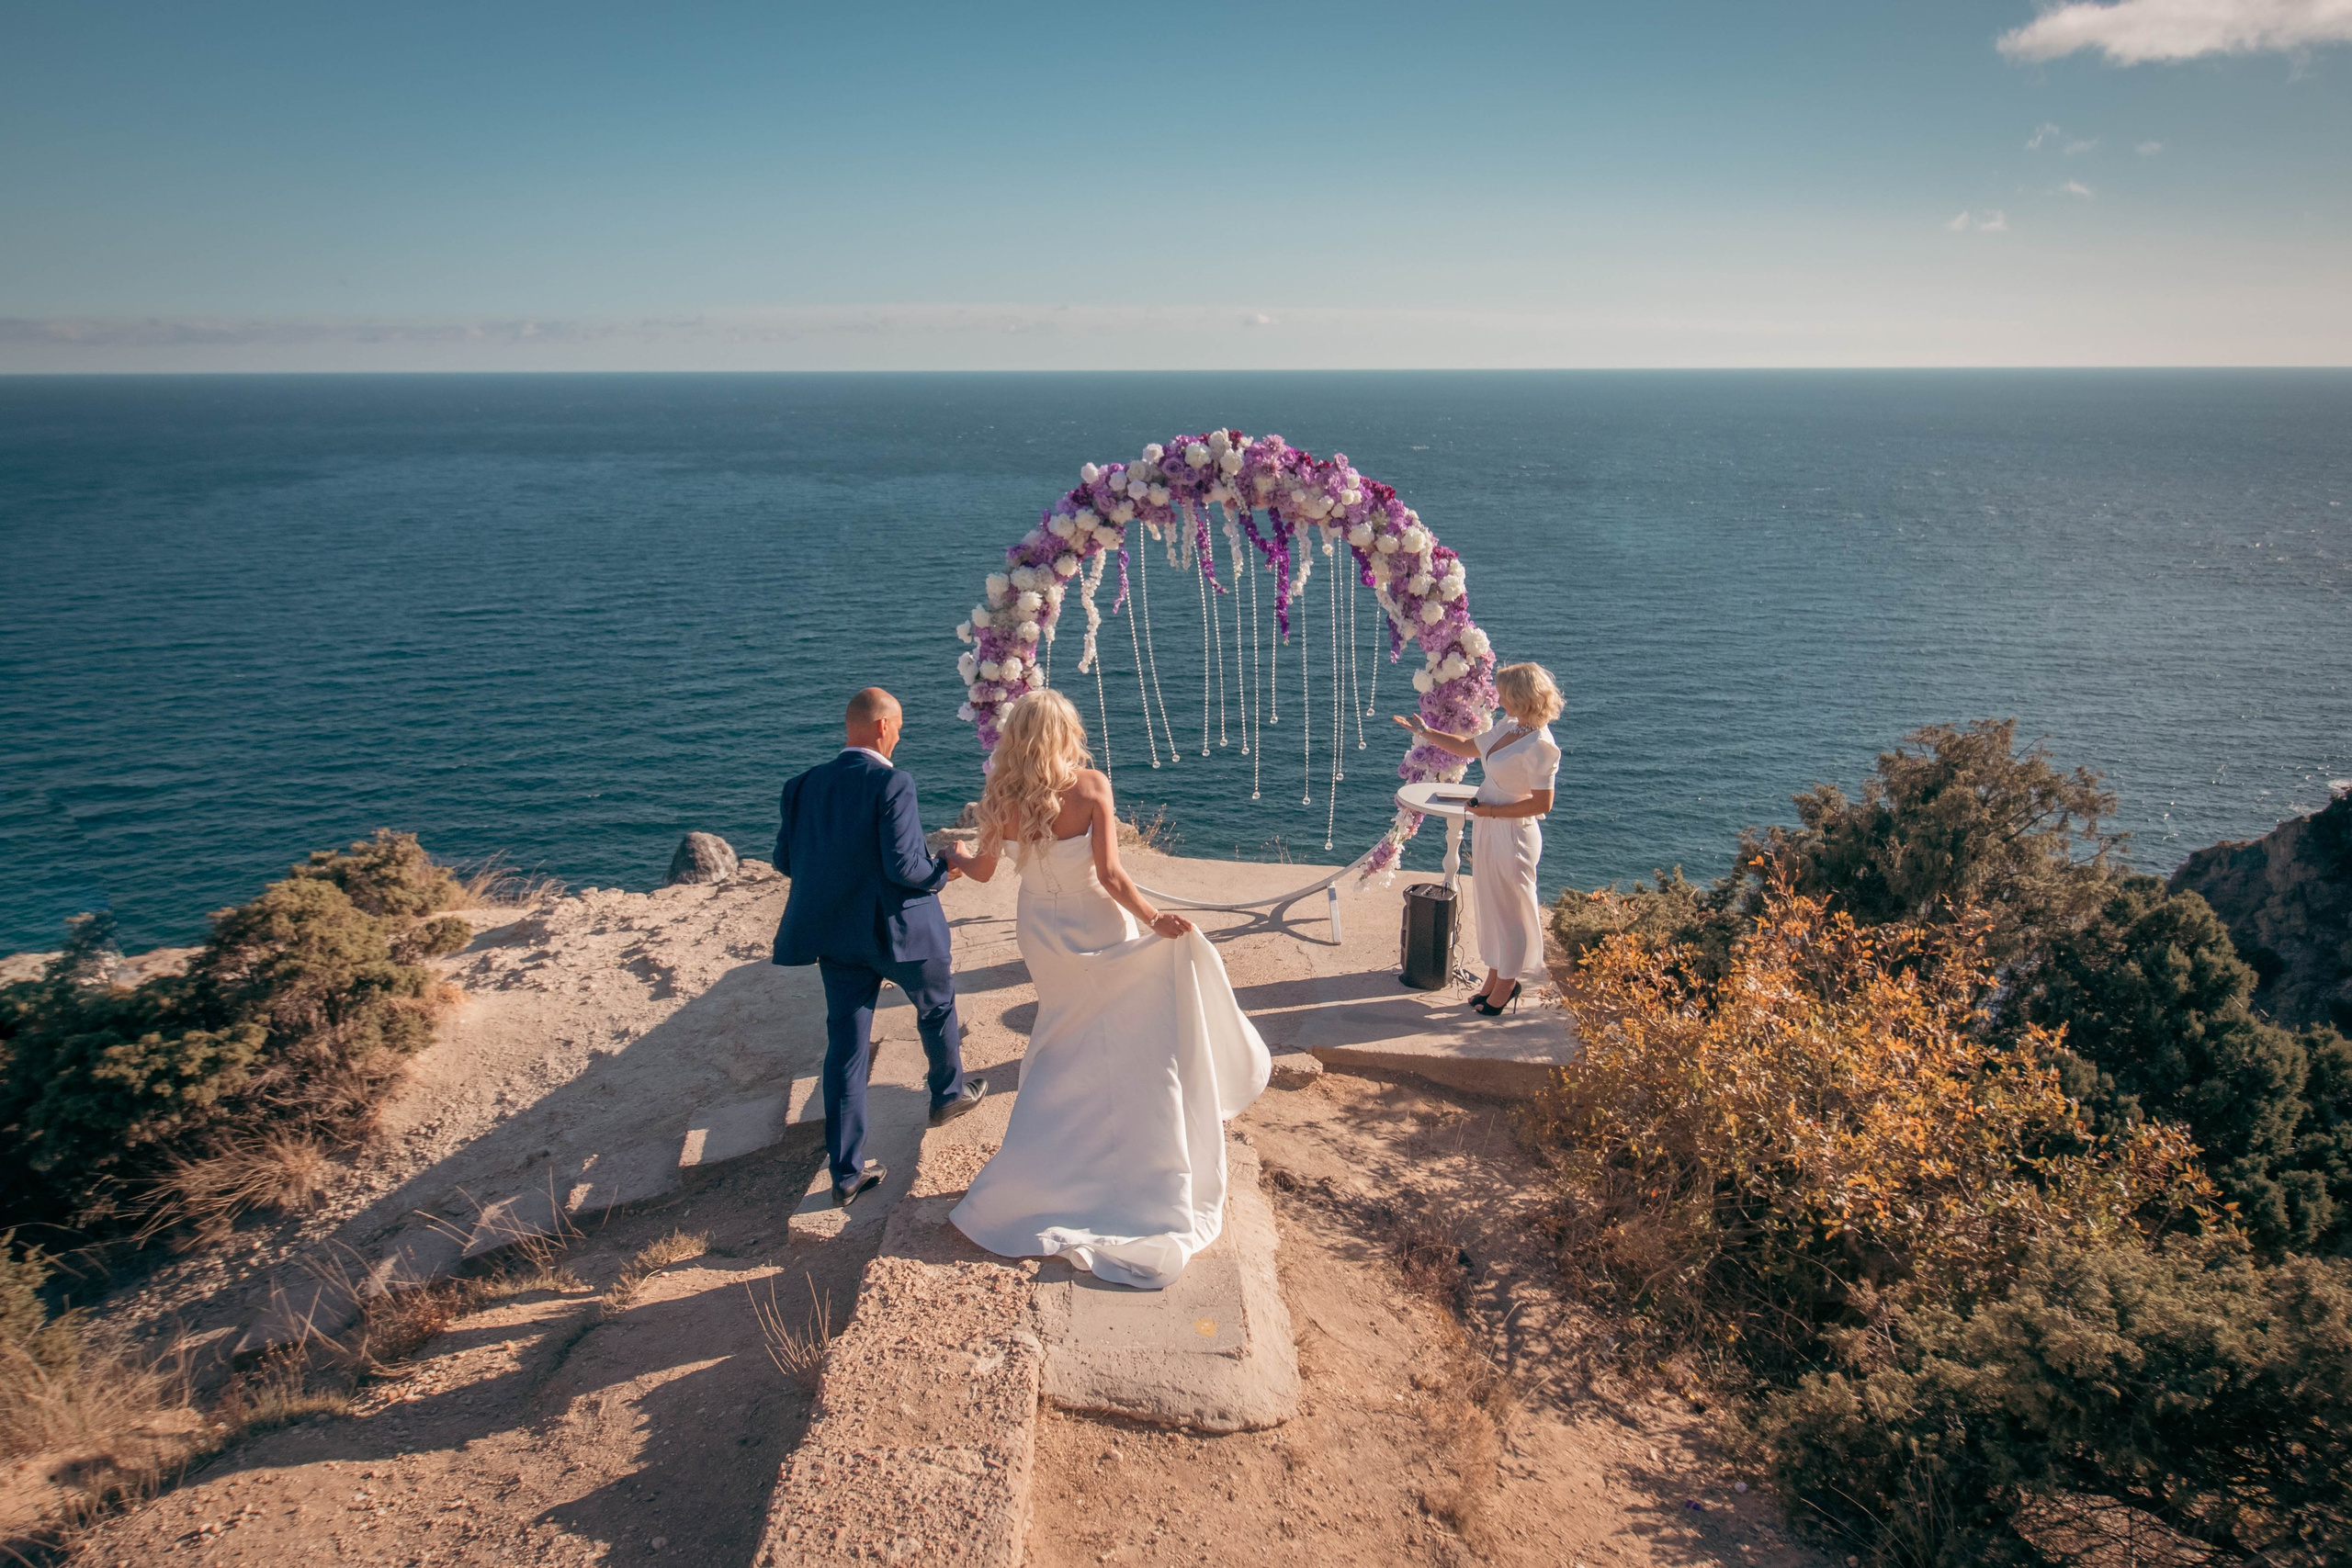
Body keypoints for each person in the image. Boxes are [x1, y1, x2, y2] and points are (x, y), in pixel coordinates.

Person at [942, 689, 1270, 1290]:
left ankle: (1040, 1173)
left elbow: (985, 871)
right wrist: (1154, 921)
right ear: (1065, 734)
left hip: (1041, 933)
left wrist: (956, 854)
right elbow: (1114, 876)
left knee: (1063, 1038)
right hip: (1098, 924)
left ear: (1015, 738)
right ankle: (1140, 1164)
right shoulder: (1091, 788)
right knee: (1128, 1037)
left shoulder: (999, 798)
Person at [771, 687, 988, 1208]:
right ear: (884, 728)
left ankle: (845, 1173)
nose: (899, 739)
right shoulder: (892, 782)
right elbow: (906, 869)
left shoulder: (800, 786)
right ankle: (947, 1095)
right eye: (900, 729)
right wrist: (946, 867)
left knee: (845, 1049)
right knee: (936, 1010)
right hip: (903, 932)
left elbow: (785, 860)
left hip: (838, 938)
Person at [1393, 661, 1563, 1016]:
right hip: (1489, 825)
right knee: (1491, 907)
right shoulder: (1509, 728)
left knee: (1510, 913)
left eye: (1504, 693)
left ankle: (1507, 984)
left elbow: (1542, 803)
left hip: (1513, 834)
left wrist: (1492, 812)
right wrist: (1426, 731)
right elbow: (1469, 748)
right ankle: (1496, 978)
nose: (1498, 699)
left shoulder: (1542, 746)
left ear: (1521, 696)